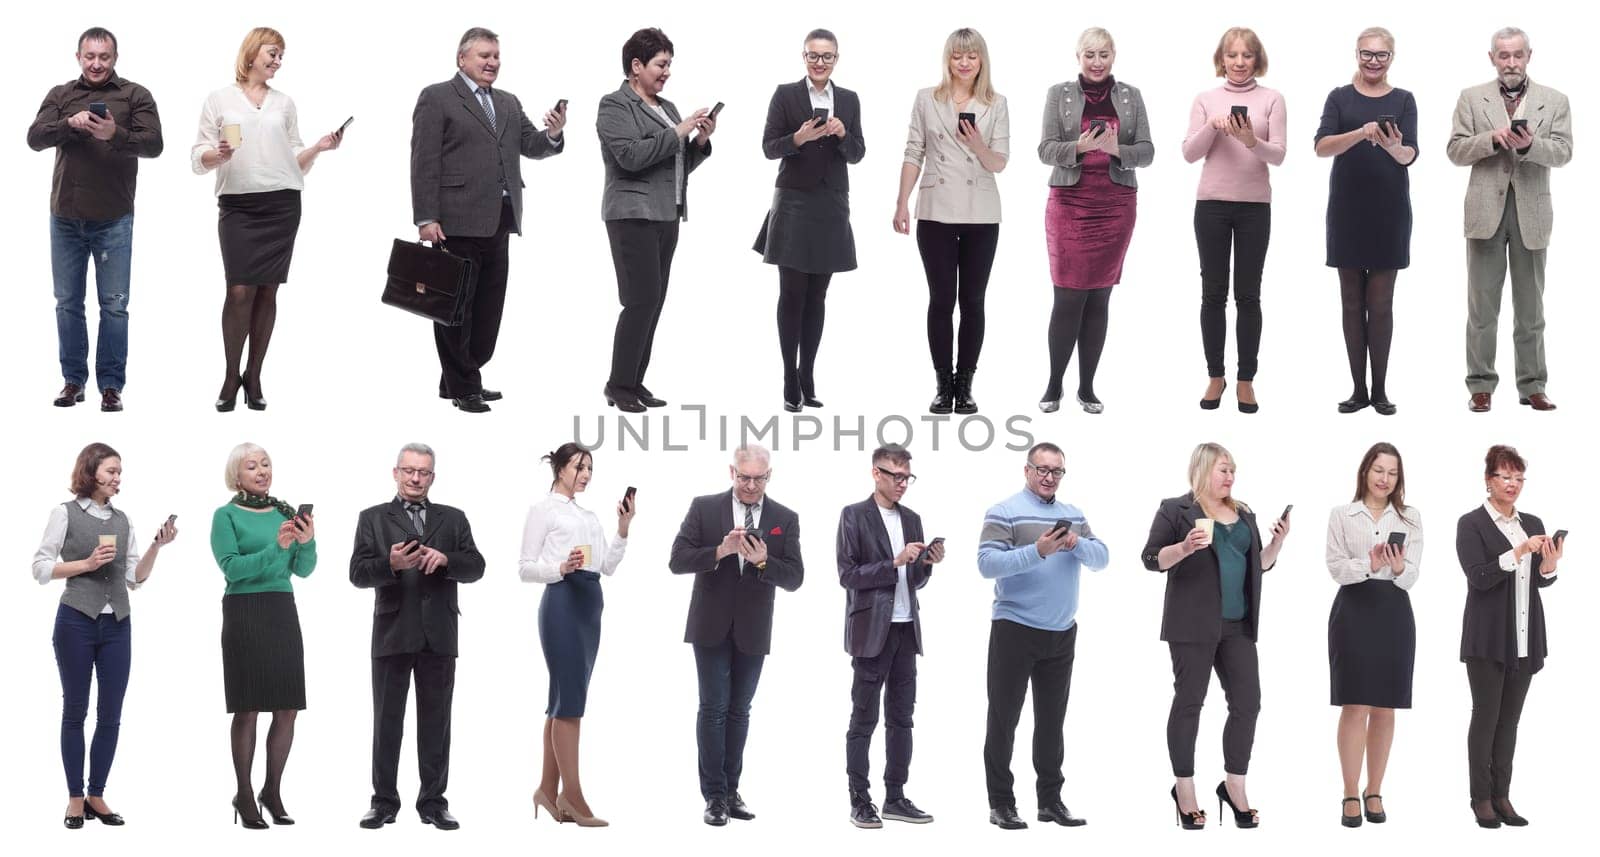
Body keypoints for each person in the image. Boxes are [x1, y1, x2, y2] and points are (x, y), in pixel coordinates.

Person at [410, 27, 567, 413]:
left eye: (496, 56)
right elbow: (423, 161)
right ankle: (466, 386)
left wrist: (553, 133)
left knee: (487, 311)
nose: (492, 63)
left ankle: (459, 379)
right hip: (455, 221)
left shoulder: (509, 103)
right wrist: (426, 216)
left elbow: (530, 145)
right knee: (454, 310)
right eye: (484, 56)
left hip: (500, 219)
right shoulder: (438, 97)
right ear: (462, 59)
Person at [192, 27, 343, 413]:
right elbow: (198, 156)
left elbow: (294, 159)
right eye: (272, 54)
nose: (278, 61)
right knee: (239, 290)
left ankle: (255, 375)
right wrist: (218, 155)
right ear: (252, 52)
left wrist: (318, 149)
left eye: (281, 56)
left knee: (267, 291)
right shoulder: (219, 99)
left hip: (282, 203)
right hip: (238, 205)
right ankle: (231, 375)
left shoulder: (284, 103)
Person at [1141, 442, 1288, 830]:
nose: (1230, 476)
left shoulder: (1245, 513)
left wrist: (1277, 542)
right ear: (1203, 469)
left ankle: (1234, 786)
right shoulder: (1176, 509)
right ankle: (1184, 790)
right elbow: (1151, 559)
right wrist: (1184, 546)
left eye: (1233, 470)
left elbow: (1257, 566)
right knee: (1190, 702)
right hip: (1192, 625)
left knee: (1248, 703)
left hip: (1238, 625)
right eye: (1223, 469)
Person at [34, 442, 177, 828]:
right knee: (75, 712)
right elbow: (40, 567)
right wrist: (84, 563)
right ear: (91, 471)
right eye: (112, 471)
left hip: (118, 625)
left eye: (120, 472)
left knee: (111, 715)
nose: (118, 478)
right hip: (76, 620)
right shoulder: (63, 514)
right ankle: (75, 798)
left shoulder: (123, 520)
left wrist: (156, 547)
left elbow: (134, 579)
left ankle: (97, 794)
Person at [350, 443, 485, 831]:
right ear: (395, 473)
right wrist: (389, 564)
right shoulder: (373, 518)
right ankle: (383, 802)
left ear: (432, 477)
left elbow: (476, 566)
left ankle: (433, 803)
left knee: (436, 722)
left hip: (439, 634)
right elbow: (357, 573)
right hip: (392, 631)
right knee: (386, 722)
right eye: (408, 470)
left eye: (423, 472)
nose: (415, 478)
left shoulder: (454, 519)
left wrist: (446, 560)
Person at [27, 27, 163, 412]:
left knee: (114, 305)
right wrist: (69, 125)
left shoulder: (135, 95)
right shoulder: (61, 95)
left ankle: (111, 386)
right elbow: (34, 138)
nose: (97, 63)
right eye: (90, 56)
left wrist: (114, 133)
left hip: (114, 219)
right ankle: (73, 381)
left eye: (104, 57)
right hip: (65, 217)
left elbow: (154, 144)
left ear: (115, 58)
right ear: (78, 57)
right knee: (67, 302)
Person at [669, 444, 803, 826]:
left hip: (754, 627)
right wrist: (719, 551)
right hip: (709, 624)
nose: (749, 485)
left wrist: (763, 561)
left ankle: (731, 790)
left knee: (739, 711)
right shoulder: (704, 507)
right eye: (743, 477)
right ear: (732, 472)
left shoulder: (784, 518)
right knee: (713, 709)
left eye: (757, 478)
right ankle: (713, 797)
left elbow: (795, 577)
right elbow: (677, 559)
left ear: (769, 476)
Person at [976, 442, 1108, 830]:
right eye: (1042, 470)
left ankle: (1050, 801)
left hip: (1061, 632)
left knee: (1052, 722)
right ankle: (1001, 803)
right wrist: (1038, 551)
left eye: (1057, 471)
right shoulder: (1004, 511)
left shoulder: (1074, 515)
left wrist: (1076, 542)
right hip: (1015, 628)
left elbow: (1102, 559)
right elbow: (986, 564)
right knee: (1003, 720)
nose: (1049, 478)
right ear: (1027, 470)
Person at [1447, 28, 1573, 413]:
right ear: (1492, 58)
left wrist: (1531, 145)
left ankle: (1533, 385)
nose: (1511, 62)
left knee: (1531, 309)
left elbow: (1565, 152)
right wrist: (1493, 139)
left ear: (1529, 56)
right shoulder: (1471, 98)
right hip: (1485, 213)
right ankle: (1480, 384)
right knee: (1482, 307)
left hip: (1531, 214)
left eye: (1517, 55)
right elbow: (1454, 150)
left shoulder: (1554, 100)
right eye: (1504, 55)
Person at [598, 27, 716, 413]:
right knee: (640, 300)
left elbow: (675, 164)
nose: (667, 72)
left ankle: (634, 380)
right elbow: (631, 157)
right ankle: (618, 385)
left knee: (655, 302)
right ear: (636, 66)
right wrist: (680, 130)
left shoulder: (666, 107)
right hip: (631, 215)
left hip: (667, 214)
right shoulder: (614, 105)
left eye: (669, 64)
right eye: (660, 64)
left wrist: (698, 141)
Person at [1036, 28, 1153, 415]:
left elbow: (1147, 151)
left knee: (1100, 295)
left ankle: (1087, 387)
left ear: (1114, 55)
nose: (1097, 61)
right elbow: (1045, 149)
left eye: (1104, 54)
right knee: (1067, 296)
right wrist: (1081, 147)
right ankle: (1054, 383)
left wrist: (1115, 148)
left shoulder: (1131, 96)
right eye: (1090, 54)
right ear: (1078, 56)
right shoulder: (1060, 94)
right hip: (1070, 203)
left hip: (1116, 204)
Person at [518, 443, 635, 828]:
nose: (585, 473)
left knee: (562, 698)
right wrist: (560, 567)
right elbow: (525, 567)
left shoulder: (588, 515)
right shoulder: (543, 510)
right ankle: (573, 794)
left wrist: (622, 527)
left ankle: (547, 790)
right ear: (559, 468)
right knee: (570, 701)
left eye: (589, 468)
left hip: (590, 605)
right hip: (562, 603)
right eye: (579, 466)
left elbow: (608, 566)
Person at [894, 27, 1009, 415]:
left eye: (971, 56)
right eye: (957, 55)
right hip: (935, 210)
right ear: (947, 59)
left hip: (981, 213)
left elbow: (1000, 162)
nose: (964, 62)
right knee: (942, 300)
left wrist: (977, 143)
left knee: (973, 300)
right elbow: (914, 150)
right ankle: (943, 385)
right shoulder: (927, 99)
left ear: (981, 60)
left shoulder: (997, 102)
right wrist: (901, 203)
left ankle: (966, 385)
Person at [755, 28, 865, 412]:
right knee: (792, 293)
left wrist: (842, 133)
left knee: (818, 295)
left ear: (837, 59)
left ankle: (808, 374)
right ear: (803, 57)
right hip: (794, 203)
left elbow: (858, 153)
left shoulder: (848, 100)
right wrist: (797, 139)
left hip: (832, 203)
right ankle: (788, 375)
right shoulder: (786, 94)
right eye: (813, 56)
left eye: (827, 57)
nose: (820, 63)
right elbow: (769, 147)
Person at [210, 442, 317, 829]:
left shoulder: (286, 512)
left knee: (288, 706)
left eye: (266, 464)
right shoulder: (225, 516)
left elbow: (303, 570)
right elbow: (233, 569)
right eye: (252, 466)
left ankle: (272, 790)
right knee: (249, 705)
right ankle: (243, 792)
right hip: (244, 610)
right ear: (236, 475)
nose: (262, 471)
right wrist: (277, 546)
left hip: (281, 609)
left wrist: (307, 542)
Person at [1456, 444, 1562, 828]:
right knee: (1486, 717)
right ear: (1488, 480)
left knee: (1510, 721)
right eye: (1505, 476)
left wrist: (1548, 566)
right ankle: (1480, 798)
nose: (1512, 484)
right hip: (1487, 638)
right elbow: (1479, 577)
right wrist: (1518, 551)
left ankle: (1503, 795)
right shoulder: (1471, 523)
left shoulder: (1532, 522)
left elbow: (1538, 582)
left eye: (1518, 478)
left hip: (1525, 634)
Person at [837, 444, 942, 827]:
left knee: (903, 718)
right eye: (896, 476)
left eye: (907, 477)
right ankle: (859, 799)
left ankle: (895, 796)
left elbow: (912, 582)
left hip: (905, 630)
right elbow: (847, 575)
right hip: (870, 631)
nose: (902, 484)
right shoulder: (853, 515)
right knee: (863, 719)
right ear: (875, 473)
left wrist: (925, 565)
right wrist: (892, 563)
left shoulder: (912, 519)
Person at [1315, 27, 1418, 416]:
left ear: (1392, 58)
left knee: (1382, 303)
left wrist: (1394, 147)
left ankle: (1380, 389)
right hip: (1347, 211)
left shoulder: (1404, 99)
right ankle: (1357, 389)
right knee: (1350, 302)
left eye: (1381, 55)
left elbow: (1410, 155)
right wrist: (1360, 132)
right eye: (1367, 54)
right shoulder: (1339, 98)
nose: (1373, 61)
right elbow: (1322, 147)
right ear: (1356, 54)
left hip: (1389, 212)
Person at [1183, 27, 1286, 414]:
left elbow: (1278, 155)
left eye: (1246, 56)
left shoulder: (1272, 99)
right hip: (1210, 205)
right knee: (1212, 294)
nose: (1239, 63)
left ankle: (1245, 378)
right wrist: (1212, 126)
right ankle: (1215, 374)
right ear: (1221, 59)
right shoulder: (1206, 99)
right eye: (1232, 55)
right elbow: (1189, 154)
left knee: (1248, 294)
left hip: (1254, 207)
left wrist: (1249, 141)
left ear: (1257, 59)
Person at [1325, 442, 1421, 827]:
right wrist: (1370, 563)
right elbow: (1334, 567)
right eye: (1379, 470)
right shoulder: (1342, 514)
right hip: (1354, 610)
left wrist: (1397, 568)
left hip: (1394, 613)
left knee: (1385, 706)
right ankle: (1350, 790)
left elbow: (1413, 575)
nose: (1385, 479)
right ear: (1365, 471)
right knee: (1355, 704)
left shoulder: (1410, 517)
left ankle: (1375, 789)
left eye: (1393, 472)